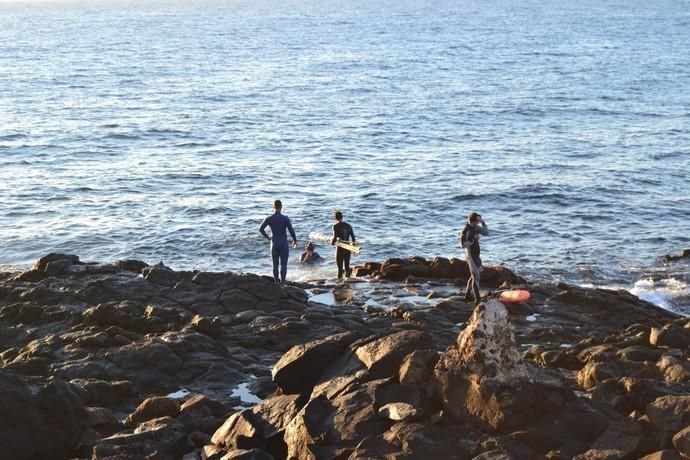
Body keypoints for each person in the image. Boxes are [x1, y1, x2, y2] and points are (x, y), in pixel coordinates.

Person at [259, 200, 298, 283]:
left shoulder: (269, 218)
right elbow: (291, 230)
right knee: (284, 265)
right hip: (283, 243)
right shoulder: (285, 218)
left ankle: (276, 283)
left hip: (274, 243)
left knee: (275, 265)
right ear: (281, 207)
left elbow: (261, 229)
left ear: (273, 207)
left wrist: (267, 237)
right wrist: (295, 240)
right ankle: (283, 283)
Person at [460, 212, 489, 304]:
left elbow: (486, 233)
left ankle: (467, 295)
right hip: (470, 256)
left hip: (477, 255)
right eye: (477, 221)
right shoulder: (466, 230)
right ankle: (477, 299)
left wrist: (483, 222)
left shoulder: (476, 228)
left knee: (473, 276)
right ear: (474, 221)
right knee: (476, 276)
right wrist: (473, 239)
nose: (478, 223)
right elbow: (463, 245)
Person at [331, 210, 356, 278]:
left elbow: (335, 238)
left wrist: (332, 242)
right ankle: (347, 282)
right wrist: (353, 249)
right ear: (342, 217)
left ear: (335, 218)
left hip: (340, 248)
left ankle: (339, 285)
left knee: (340, 269)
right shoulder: (349, 226)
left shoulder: (335, 226)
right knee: (347, 268)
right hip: (348, 248)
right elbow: (353, 239)